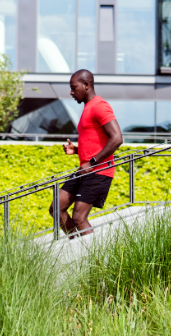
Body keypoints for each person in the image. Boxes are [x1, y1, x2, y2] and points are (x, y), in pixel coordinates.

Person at [49, 69, 124, 237]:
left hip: (98, 172)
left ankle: (92, 258)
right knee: (56, 209)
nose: (71, 92)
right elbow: (95, 142)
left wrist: (93, 162)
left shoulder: (100, 106)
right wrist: (76, 151)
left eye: (74, 88)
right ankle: (75, 246)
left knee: (79, 217)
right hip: (86, 170)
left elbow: (117, 138)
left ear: (87, 85)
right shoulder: (88, 108)